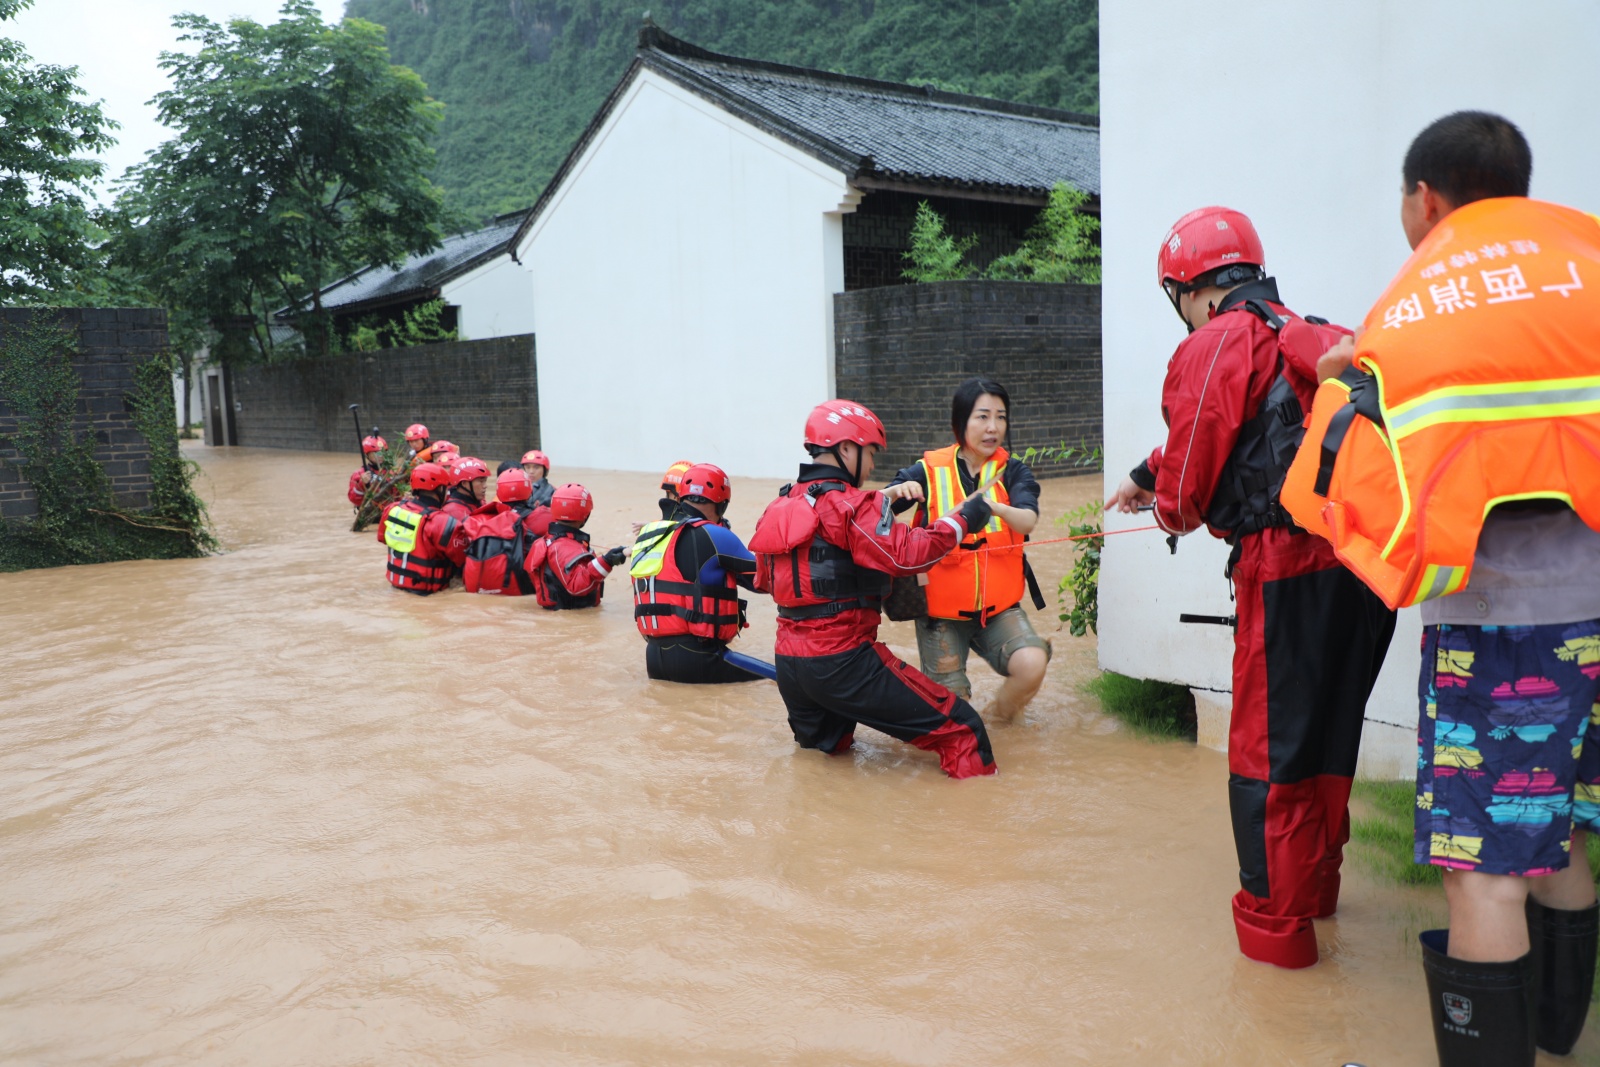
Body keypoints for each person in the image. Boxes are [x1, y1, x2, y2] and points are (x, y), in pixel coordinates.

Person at [1284, 113, 1600, 1066]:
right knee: (1561, 833)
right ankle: (1554, 1040)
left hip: (1502, 628)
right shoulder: (1585, 258)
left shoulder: (1420, 298)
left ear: (1426, 199)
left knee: (1484, 872)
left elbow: (1363, 474)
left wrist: (1344, 379)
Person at [1105, 206, 1397, 969]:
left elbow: (1192, 479)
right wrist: (1147, 472)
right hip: (1361, 565)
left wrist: (1163, 499)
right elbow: (1266, 420)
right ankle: (1320, 895)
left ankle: (1277, 949)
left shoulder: (1214, 340)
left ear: (1188, 289)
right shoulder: (1305, 329)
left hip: (1285, 570)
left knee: (1269, 757)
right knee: (1330, 736)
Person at [748, 399, 999, 779]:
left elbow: (765, 581)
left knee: (826, 763)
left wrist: (881, 507)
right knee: (963, 730)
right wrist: (963, 520)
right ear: (845, 448)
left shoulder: (780, 504)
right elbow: (906, 557)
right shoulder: (851, 504)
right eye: (869, 453)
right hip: (844, 661)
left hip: (791, 667)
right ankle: (981, 829)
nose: (872, 466)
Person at [883, 377, 1050, 724]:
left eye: (1001, 417)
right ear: (960, 423)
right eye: (983, 417)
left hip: (998, 610)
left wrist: (996, 507)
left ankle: (1000, 718)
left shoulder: (1013, 472)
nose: (993, 428)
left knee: (1033, 663)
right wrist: (896, 493)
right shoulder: (927, 471)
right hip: (939, 615)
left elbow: (1028, 521)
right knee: (950, 715)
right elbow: (871, 514)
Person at [630, 463, 766, 683]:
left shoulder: (650, 534)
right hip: (698, 658)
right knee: (780, 679)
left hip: (654, 660)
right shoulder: (715, 535)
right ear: (722, 504)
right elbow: (765, 580)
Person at [528, 483, 627, 610]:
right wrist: (607, 561)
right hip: (569, 619)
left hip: (561, 618)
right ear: (585, 515)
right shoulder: (563, 546)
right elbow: (577, 587)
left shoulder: (553, 540)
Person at [376, 461, 464, 594]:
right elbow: (462, 559)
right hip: (429, 595)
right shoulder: (442, 522)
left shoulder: (392, 509)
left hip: (395, 589)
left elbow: (383, 538)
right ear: (440, 489)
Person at [463, 468, 540, 596]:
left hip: (477, 590)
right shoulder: (540, 518)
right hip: (520, 592)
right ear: (529, 491)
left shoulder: (477, 519)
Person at [442, 457, 489, 525]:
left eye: (485, 481)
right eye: (481, 481)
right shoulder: (453, 511)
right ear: (464, 483)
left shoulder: (478, 502)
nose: (485, 486)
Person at [347, 433, 388, 508]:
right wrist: (362, 484)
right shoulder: (359, 474)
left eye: (382, 452)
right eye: (375, 453)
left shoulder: (392, 472)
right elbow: (353, 499)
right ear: (367, 455)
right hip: (370, 512)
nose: (380, 456)